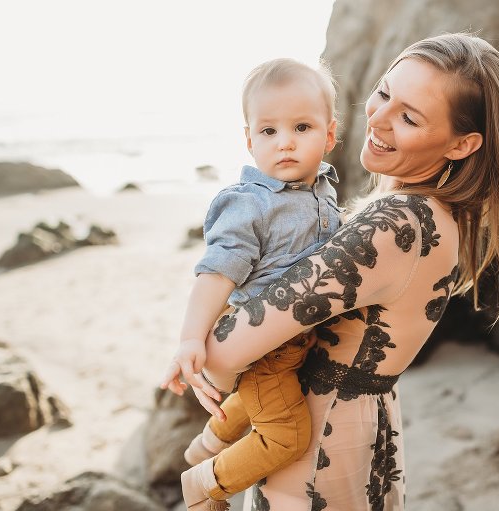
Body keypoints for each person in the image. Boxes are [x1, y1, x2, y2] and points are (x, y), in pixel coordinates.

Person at [188, 32, 499, 510]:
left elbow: (223, 352)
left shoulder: (396, 224)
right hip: (358, 431)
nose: (379, 119)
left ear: (462, 144)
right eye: (384, 93)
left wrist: (201, 332)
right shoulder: (436, 214)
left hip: (315, 453)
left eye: (409, 117)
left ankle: (202, 476)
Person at [159, 58, 341, 510]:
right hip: (262, 349)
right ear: (249, 141)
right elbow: (217, 271)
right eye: (268, 131)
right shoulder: (249, 204)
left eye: (302, 127)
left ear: (330, 135)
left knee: (259, 398)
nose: (285, 142)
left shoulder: (324, 190)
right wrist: (190, 337)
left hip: (296, 342)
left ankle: (209, 442)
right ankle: (204, 485)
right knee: (287, 435)